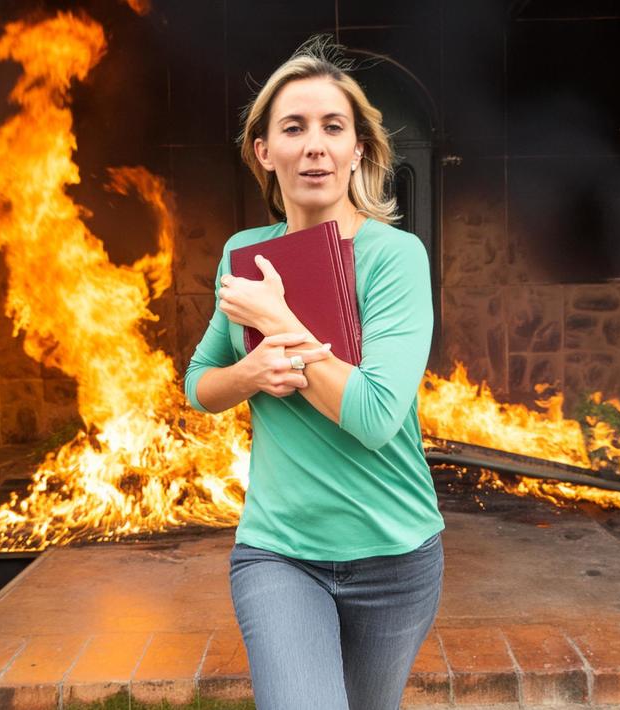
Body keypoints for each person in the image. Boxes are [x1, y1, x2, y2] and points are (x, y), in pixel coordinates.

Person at [183, 38, 445, 710]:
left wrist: (279, 321)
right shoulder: (244, 252)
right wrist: (250, 374)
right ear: (264, 151)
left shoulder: (395, 258)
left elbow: (374, 416)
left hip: (395, 556)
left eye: (334, 127)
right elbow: (200, 385)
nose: (315, 146)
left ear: (358, 148)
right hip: (280, 552)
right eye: (293, 128)